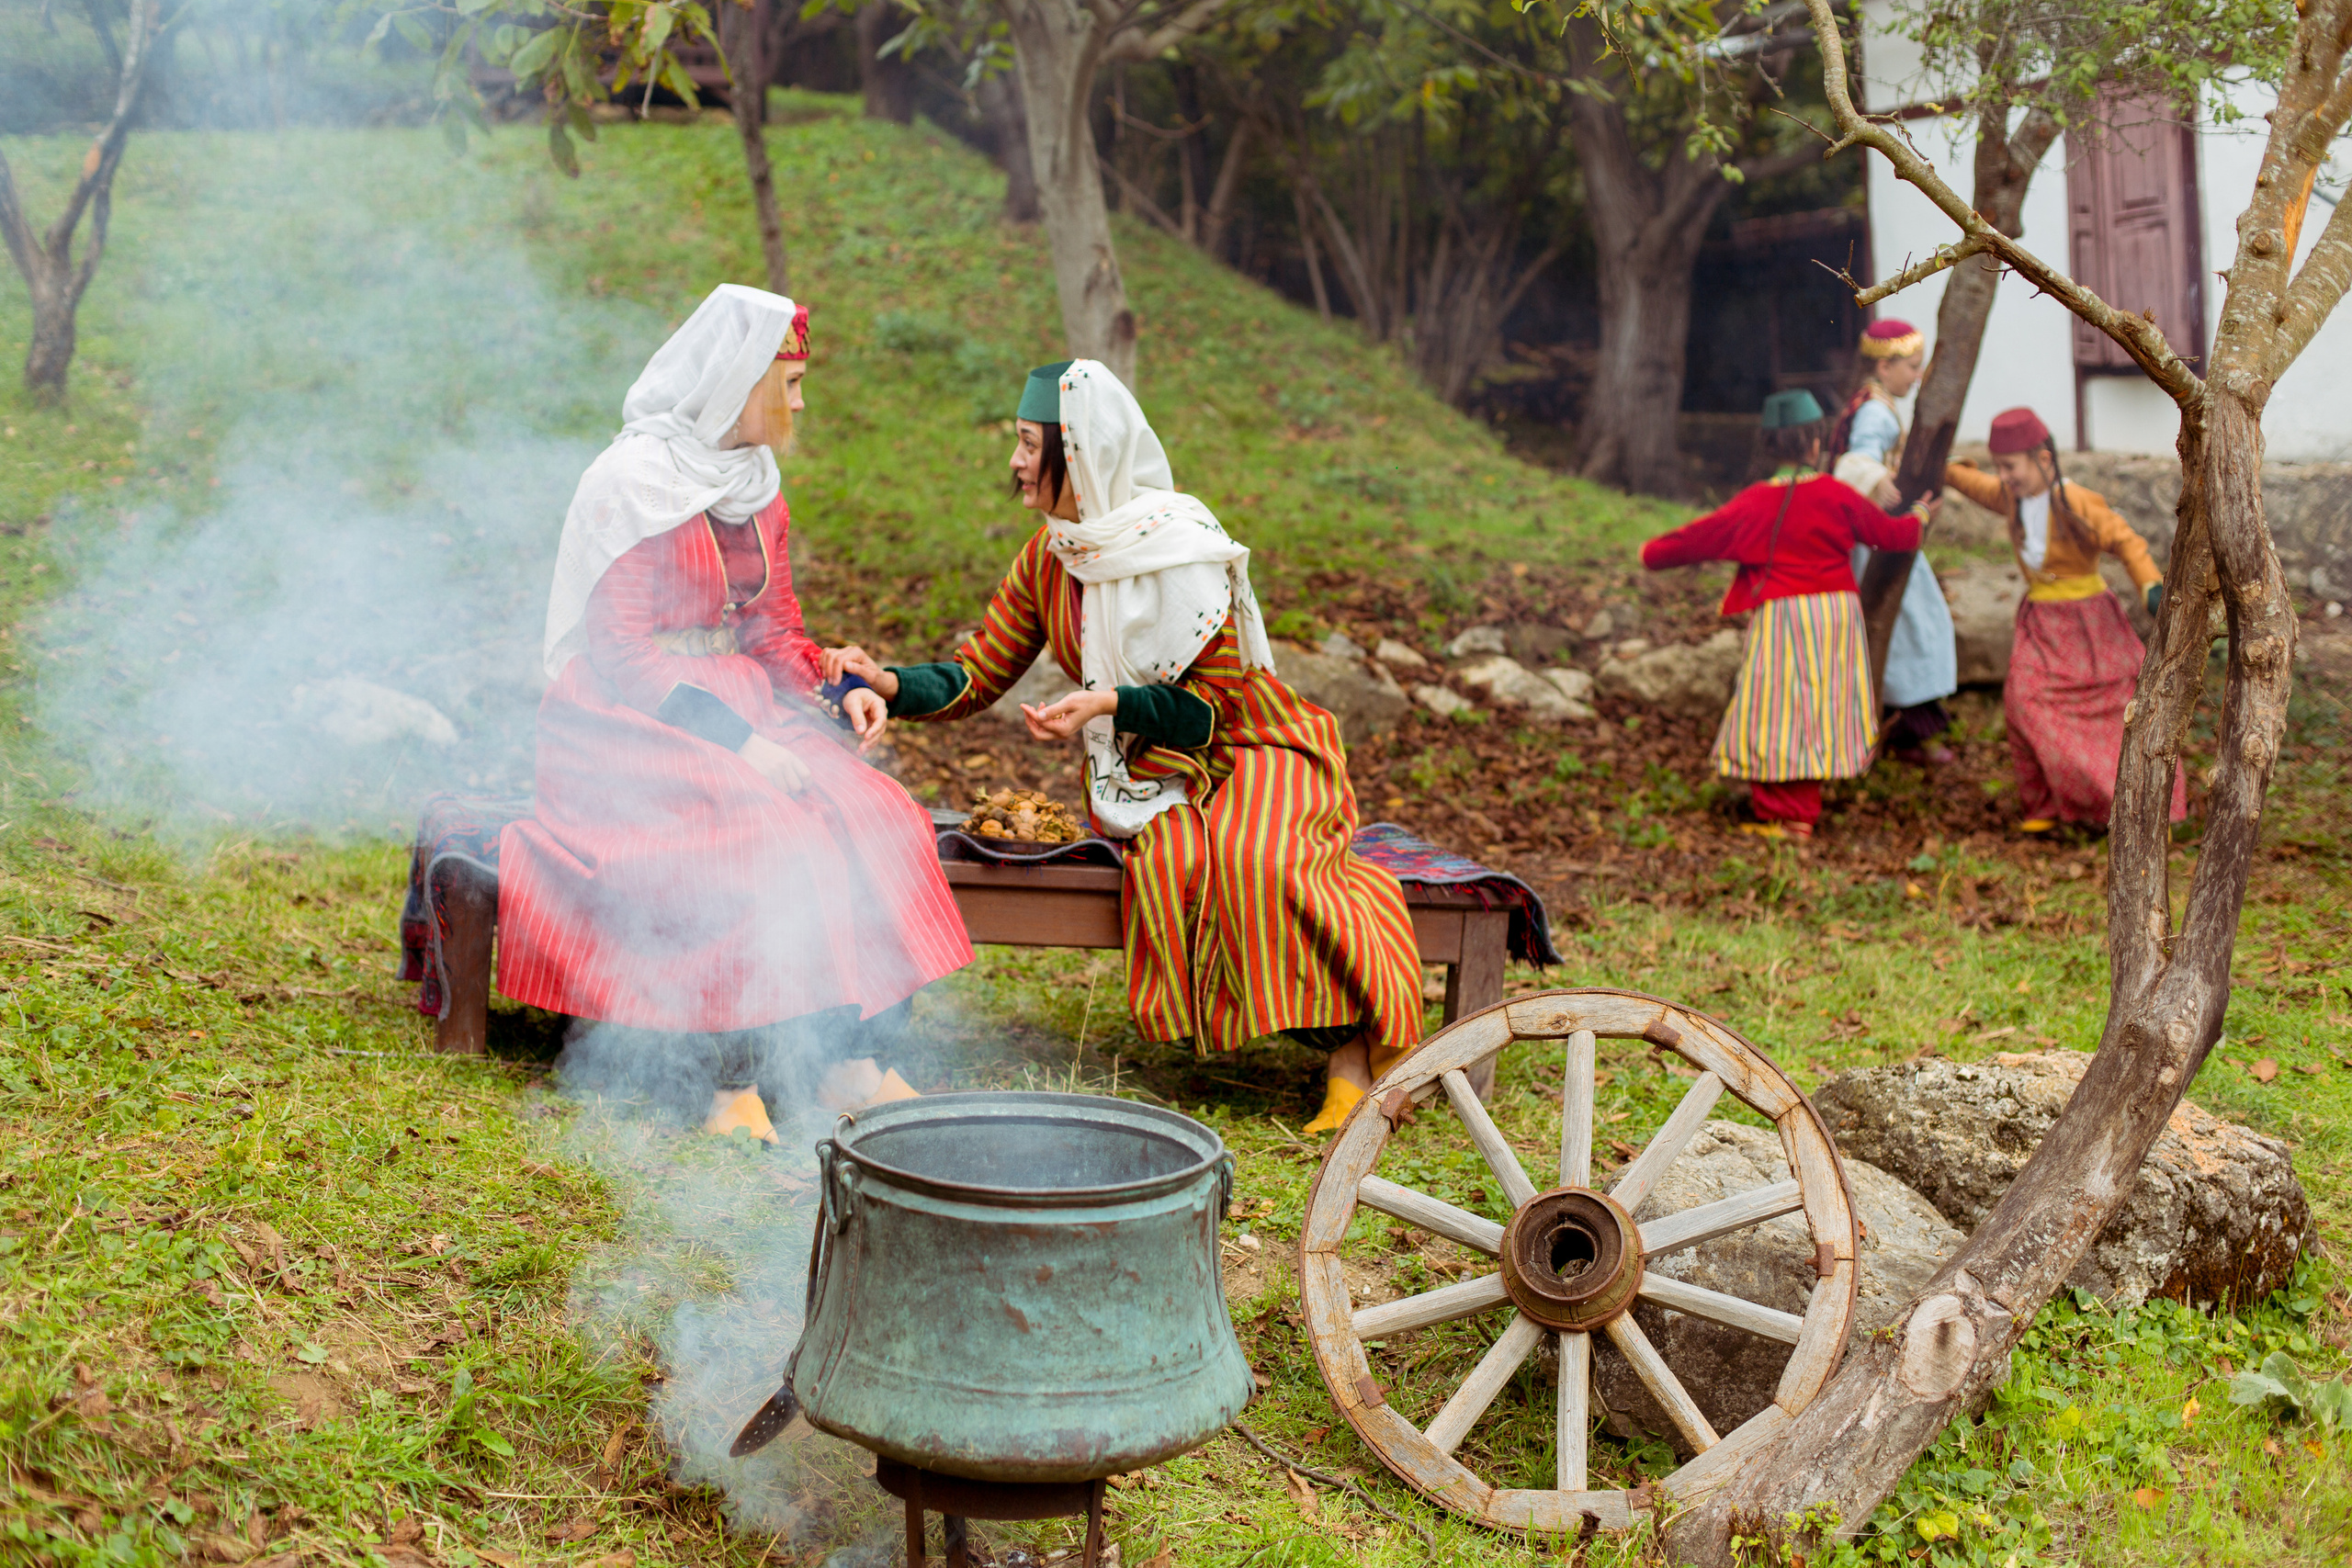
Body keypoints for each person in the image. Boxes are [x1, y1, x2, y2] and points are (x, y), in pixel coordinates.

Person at [822, 359, 1421, 1134]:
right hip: (1155, 768)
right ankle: (1308, 1035)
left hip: (1256, 743)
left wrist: (1110, 702)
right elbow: (977, 673)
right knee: (1177, 860)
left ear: (1081, 452)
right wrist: (891, 683)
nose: (1015, 461)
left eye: (1029, 444)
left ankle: (1355, 1052)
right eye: (1017, 442)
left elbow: (1212, 711)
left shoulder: (1181, 547)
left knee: (1259, 861)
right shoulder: (1051, 558)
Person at [495, 285, 973, 1139]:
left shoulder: (755, 484)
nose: (801, 403)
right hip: (626, 722)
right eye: (790, 384)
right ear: (742, 382)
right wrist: (744, 745)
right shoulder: (632, 484)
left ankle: (847, 1058)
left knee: (879, 814)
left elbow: (771, 627)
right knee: (757, 832)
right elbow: (622, 654)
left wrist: (841, 688)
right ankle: (729, 1081)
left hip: (740, 704)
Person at [1639, 389, 1922, 840]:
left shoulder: (1754, 501)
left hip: (1784, 615)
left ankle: (1787, 814)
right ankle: (1799, 808)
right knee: (1820, 707)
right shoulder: (1836, 494)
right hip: (1835, 615)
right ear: (1815, 443)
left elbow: (1698, 537)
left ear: (1769, 445)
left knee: (1776, 707)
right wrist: (1920, 515)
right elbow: (1891, 535)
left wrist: (1651, 553)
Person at [1941, 407, 2182, 833]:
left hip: (2089, 619)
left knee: (2116, 705)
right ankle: (2045, 804)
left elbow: (2125, 541)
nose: (2004, 476)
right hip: (2040, 621)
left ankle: (2132, 803)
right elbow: (1974, 484)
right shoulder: (2010, 497)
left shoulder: (2078, 502)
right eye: (1999, 467)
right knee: (2023, 699)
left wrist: (2149, 584)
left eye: (2010, 466)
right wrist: (1942, 466)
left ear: (2043, 459)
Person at [1830, 318, 1959, 764]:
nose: (1917, 376)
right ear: (1884, 367)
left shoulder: (1874, 403)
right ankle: (1911, 727)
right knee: (1913, 622)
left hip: (1879, 535)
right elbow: (1855, 463)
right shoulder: (1876, 411)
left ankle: (1906, 721)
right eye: (1911, 366)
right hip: (1877, 539)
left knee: (1914, 621)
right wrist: (1876, 478)